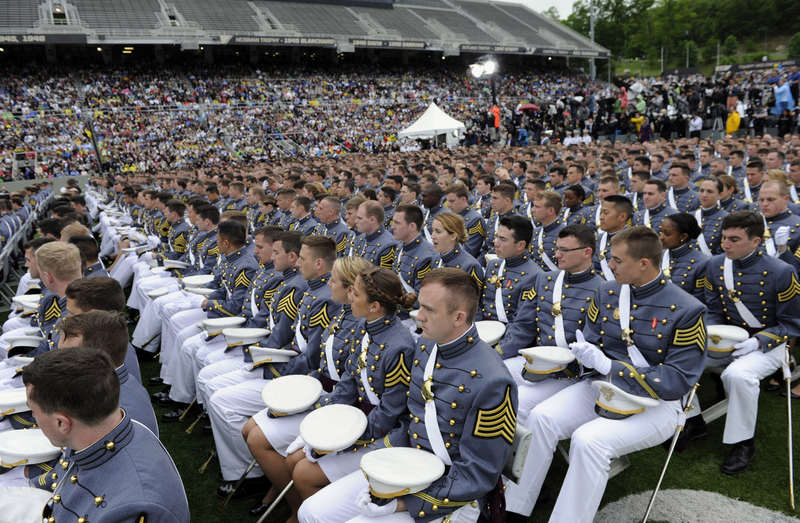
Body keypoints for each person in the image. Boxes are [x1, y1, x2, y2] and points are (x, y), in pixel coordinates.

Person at [504, 226, 707, 523]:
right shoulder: (608, 291)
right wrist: (579, 358)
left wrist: (611, 366)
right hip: (603, 385)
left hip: (658, 402)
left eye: (617, 260)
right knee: (541, 418)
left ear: (644, 264)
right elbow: (591, 343)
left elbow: (676, 380)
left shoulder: (688, 309)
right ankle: (514, 509)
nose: (609, 265)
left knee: (589, 440)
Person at [298, 268, 518, 523]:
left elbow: (477, 475)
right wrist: (344, 440)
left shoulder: (494, 381)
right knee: (311, 512)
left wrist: (403, 503)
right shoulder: (426, 345)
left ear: (458, 317)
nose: (418, 316)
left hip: (453, 491)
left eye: (429, 310)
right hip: (407, 462)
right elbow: (413, 417)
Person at [243, 256, 371, 517]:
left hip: (341, 404)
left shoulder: (359, 324)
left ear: (350, 290)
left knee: (259, 439)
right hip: (324, 392)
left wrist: (319, 402)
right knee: (249, 428)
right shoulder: (342, 313)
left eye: (333, 279)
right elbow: (324, 366)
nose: (328, 283)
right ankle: (280, 491)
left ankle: (294, 507)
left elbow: (352, 384)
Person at [23, 347, 190, 523]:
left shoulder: (135, 508)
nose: (34, 417)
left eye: (34, 411)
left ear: (61, 423)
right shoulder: (103, 435)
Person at [696, 211, 800, 474]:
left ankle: (744, 443)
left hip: (769, 343)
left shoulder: (782, 271)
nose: (725, 244)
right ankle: (693, 420)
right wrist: (716, 334)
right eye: (723, 238)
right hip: (728, 338)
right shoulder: (715, 265)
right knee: (682, 357)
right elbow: (714, 309)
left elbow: (792, 323)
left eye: (734, 239)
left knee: (738, 375)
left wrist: (758, 342)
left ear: (755, 241)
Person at [497, 224, 604, 422]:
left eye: (564, 250)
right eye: (557, 248)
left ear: (587, 252)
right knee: (486, 377)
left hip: (569, 372)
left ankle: (514, 452)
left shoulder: (602, 290)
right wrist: (498, 354)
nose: (557, 255)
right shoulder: (545, 280)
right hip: (537, 360)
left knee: (515, 402)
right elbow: (523, 326)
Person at [482, 215, 540, 323]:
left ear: (520, 245)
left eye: (503, 239)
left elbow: (523, 322)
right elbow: (478, 304)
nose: (496, 243)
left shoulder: (534, 275)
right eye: (496, 237)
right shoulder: (493, 265)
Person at [658, 213, 710, 300]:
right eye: (662, 232)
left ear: (683, 236)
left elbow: (699, 301)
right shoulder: (657, 255)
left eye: (667, 234)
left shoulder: (702, 263)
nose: (661, 237)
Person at [430, 212, 484, 290]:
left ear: (453, 236)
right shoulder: (436, 259)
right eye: (432, 230)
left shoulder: (470, 266)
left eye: (438, 231)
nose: (432, 236)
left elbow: (471, 300)